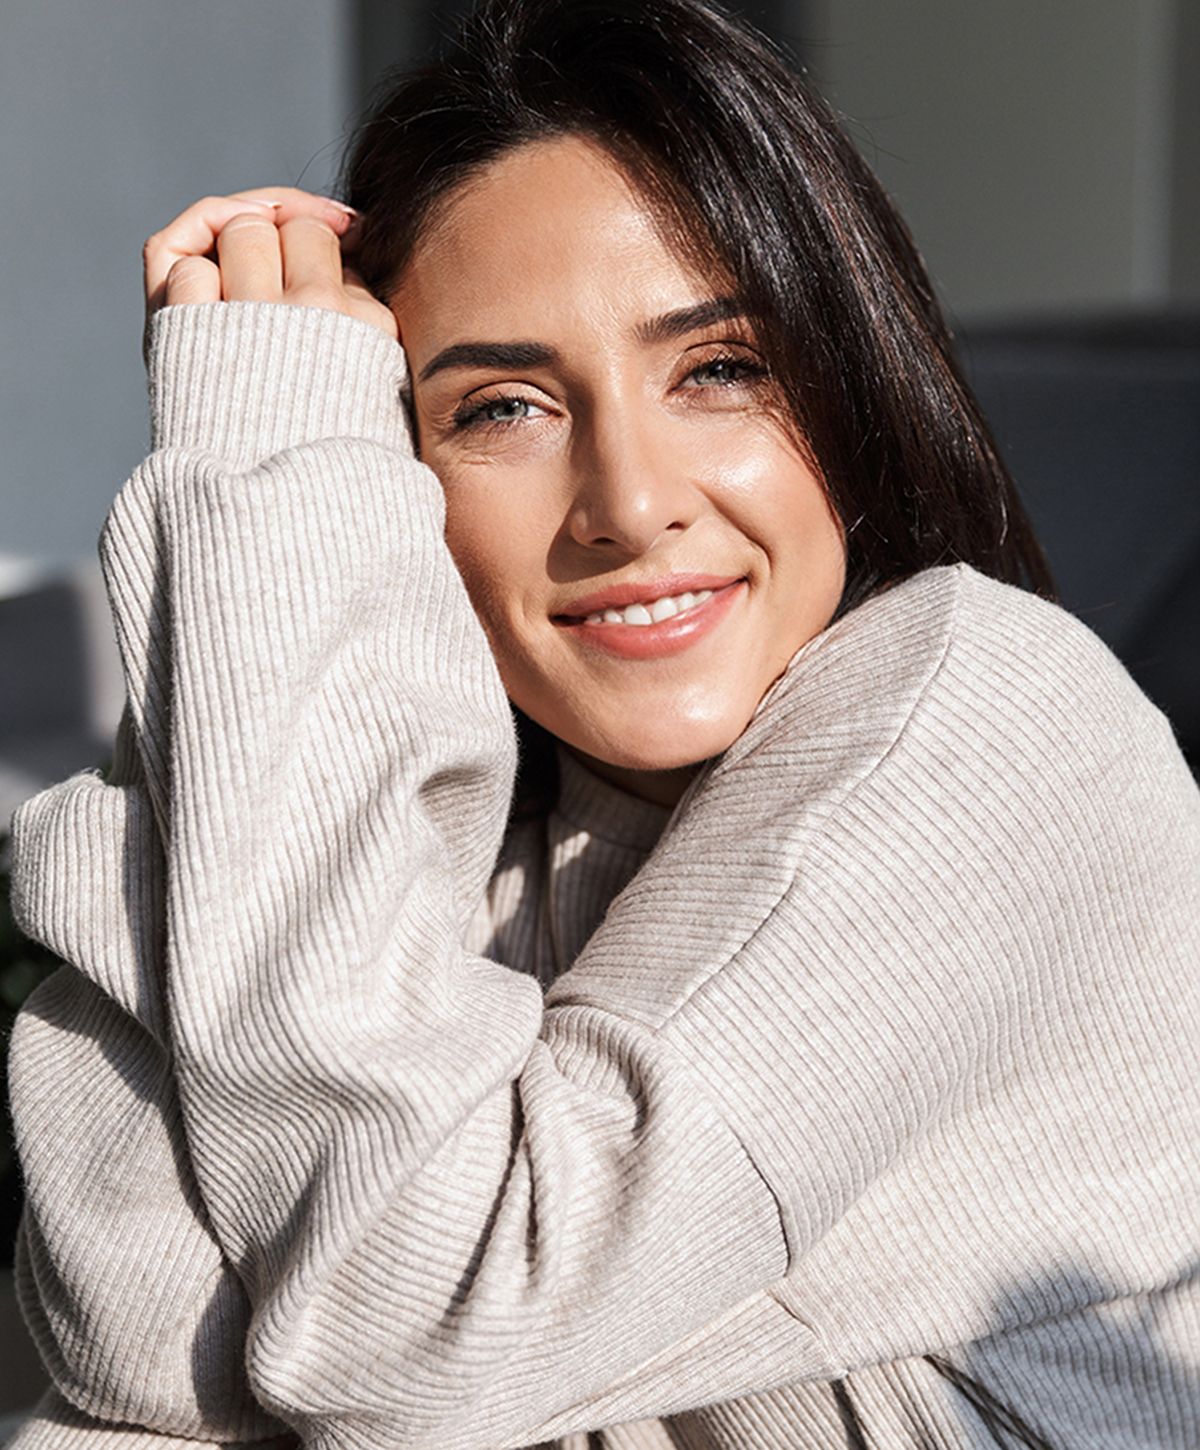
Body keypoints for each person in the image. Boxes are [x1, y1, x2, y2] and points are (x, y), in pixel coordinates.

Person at [5, 0, 1198, 1445]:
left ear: (851, 377)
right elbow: (135, 1347)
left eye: (720, 369)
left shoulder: (991, 723)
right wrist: (261, 559)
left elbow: (416, 1334)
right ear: (388, 477)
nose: (630, 504)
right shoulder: (469, 818)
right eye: (505, 406)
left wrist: (277, 498)